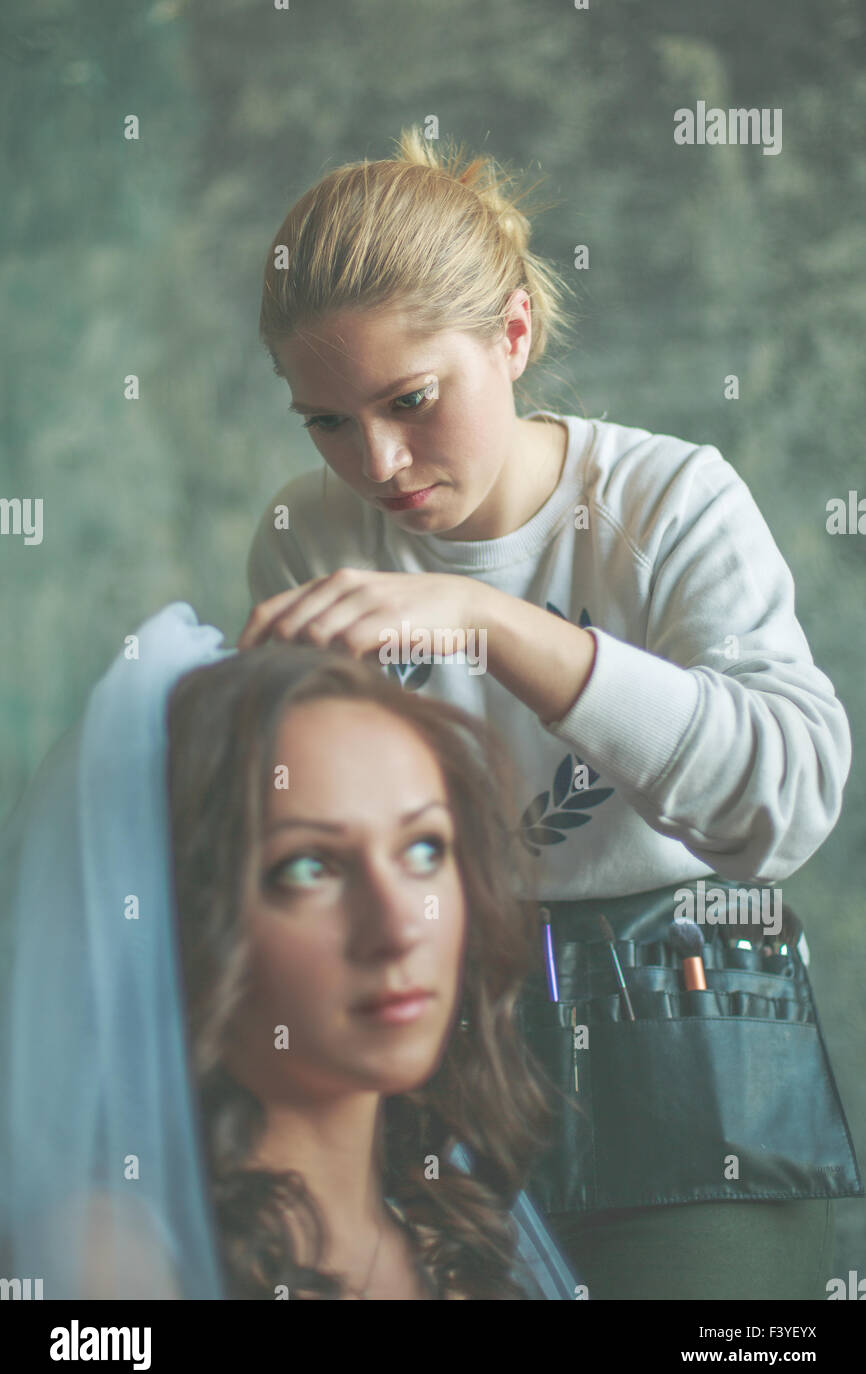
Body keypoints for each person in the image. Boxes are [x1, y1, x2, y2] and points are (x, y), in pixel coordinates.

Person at [240, 125, 861, 1299]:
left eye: (411, 399)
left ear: (512, 333)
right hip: (426, 1060)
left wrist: (498, 628)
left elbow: (781, 811)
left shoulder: (673, 499)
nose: (375, 460)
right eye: (324, 420)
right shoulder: (302, 533)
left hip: (695, 1062)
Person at [0, 602, 576, 1300]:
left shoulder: (455, 1230)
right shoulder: (107, 1260)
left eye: (423, 849)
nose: (398, 928)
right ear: (185, 906)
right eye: (309, 867)